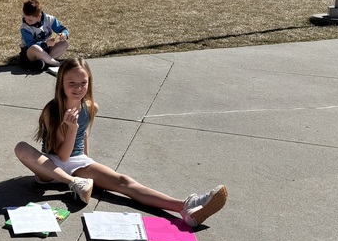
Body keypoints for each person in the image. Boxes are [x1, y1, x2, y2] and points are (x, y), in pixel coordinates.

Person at [14, 56, 228, 227]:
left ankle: (185, 207)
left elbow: (83, 139)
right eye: (72, 83)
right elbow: (61, 155)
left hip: (78, 163)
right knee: (22, 148)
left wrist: (91, 164)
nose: (78, 88)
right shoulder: (52, 111)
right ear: (61, 84)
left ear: (89, 83)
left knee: (124, 181)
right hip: (50, 167)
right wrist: (71, 128)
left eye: (83, 83)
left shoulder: (90, 107)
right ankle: (74, 184)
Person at [19, 0, 69, 75]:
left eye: (30, 20)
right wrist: (45, 44)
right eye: (25, 17)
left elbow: (63, 29)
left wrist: (64, 34)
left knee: (64, 44)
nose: (26, 21)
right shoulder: (25, 27)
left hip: (46, 50)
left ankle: (44, 63)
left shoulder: (50, 19)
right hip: (29, 53)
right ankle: (57, 64)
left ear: (39, 16)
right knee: (35, 48)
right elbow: (31, 45)